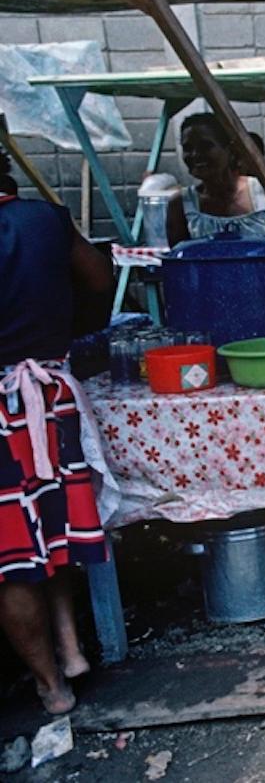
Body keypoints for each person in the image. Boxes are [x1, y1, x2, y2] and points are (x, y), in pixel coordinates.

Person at [0, 147, 114, 714]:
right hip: (48, 393)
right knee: (54, 530)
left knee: (14, 557)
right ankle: (70, 649)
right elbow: (98, 280)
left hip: (3, 410)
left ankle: (52, 687)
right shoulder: (46, 219)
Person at [166, 113, 265, 245]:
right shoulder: (180, 205)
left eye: (205, 146)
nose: (195, 154)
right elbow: (180, 260)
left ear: (230, 149)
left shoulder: (264, 192)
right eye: (188, 148)